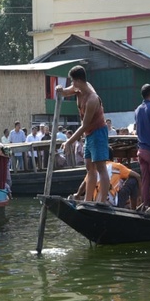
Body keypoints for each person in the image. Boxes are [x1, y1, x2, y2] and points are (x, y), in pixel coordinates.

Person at [58, 65, 110, 203]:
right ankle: (87, 201)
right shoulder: (78, 88)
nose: (72, 84)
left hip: (98, 132)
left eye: (73, 81)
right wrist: (60, 90)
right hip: (89, 134)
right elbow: (66, 91)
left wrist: (69, 141)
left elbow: (84, 125)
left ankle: (102, 201)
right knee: (89, 168)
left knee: (100, 167)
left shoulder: (92, 99)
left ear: (79, 81)